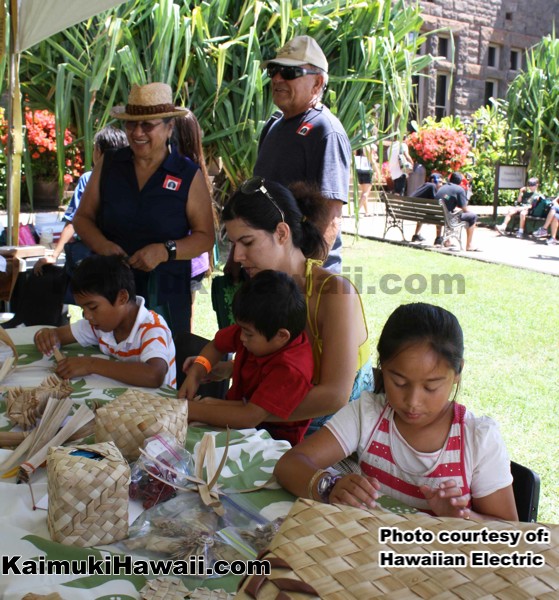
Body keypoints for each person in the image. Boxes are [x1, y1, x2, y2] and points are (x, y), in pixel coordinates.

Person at [274, 303, 518, 522]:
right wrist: (329, 486)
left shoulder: (478, 439)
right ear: (382, 366)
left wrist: (461, 519)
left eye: (431, 387)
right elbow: (289, 465)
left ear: (457, 373)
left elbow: (511, 533)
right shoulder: (368, 414)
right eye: (399, 382)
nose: (412, 402)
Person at [201, 178, 373, 435]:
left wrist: (248, 411)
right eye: (234, 244)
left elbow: (334, 396)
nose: (236, 256)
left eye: (247, 242)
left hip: (335, 430)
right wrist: (230, 369)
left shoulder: (335, 294)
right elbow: (282, 364)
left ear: (282, 233)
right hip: (275, 418)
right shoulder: (263, 286)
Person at [73, 83, 215, 339]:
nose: (137, 132)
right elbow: (82, 219)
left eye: (147, 125)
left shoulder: (186, 174)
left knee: (163, 354)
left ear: (169, 127)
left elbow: (205, 238)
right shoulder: (110, 163)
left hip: (165, 292)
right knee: (109, 355)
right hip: (110, 291)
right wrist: (104, 246)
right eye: (130, 124)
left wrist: (165, 251)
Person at [179, 270, 314, 445]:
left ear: (281, 336)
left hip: (270, 439)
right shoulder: (256, 328)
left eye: (248, 334)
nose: (241, 337)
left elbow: (249, 417)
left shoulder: (291, 368)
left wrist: (189, 409)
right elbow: (217, 345)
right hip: (239, 413)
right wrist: (197, 371)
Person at [254, 35, 351, 273]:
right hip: (269, 270)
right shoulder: (273, 125)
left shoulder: (325, 130)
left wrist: (306, 273)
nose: (277, 78)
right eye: (274, 71)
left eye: (290, 72)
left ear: (317, 83)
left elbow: (331, 214)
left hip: (299, 275)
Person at [33, 255, 176, 388]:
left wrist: (91, 364)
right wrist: (46, 336)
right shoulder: (101, 325)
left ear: (122, 298)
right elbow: (57, 335)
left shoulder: (152, 329)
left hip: (158, 404)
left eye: (93, 307)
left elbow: (154, 376)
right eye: (83, 309)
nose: (87, 316)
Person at [33, 126, 129, 276]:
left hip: (90, 258)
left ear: (98, 151)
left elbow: (74, 222)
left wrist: (54, 256)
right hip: (124, 258)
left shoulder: (89, 179)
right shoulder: (132, 181)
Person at [172, 112, 218, 327]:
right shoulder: (197, 168)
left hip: (186, 262)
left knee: (179, 321)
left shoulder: (184, 171)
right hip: (195, 263)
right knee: (183, 319)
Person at [436, 172, 479, 251]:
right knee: (472, 216)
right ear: (460, 181)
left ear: (450, 179)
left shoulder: (442, 187)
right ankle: (469, 246)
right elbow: (465, 210)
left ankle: (445, 240)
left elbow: (446, 198)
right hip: (448, 218)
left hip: (437, 216)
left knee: (449, 213)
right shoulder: (459, 189)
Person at [409, 173, 444, 243]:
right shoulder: (432, 186)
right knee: (439, 214)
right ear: (434, 180)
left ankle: (416, 235)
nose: (441, 184)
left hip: (410, 210)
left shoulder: (426, 185)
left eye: (442, 183)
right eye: (440, 182)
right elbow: (436, 201)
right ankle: (438, 238)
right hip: (417, 210)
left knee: (425, 212)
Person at [354, 142, 381, 217]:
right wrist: (378, 172)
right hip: (366, 170)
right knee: (365, 193)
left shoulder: (357, 146)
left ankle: (367, 211)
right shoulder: (367, 147)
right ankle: (356, 211)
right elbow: (372, 160)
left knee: (363, 193)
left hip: (359, 170)